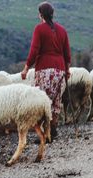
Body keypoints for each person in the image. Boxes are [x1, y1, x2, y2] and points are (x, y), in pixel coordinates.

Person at [21, 1, 71, 139]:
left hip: (44, 70)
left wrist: (26, 68)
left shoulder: (39, 29)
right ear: (52, 14)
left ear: (40, 15)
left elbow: (34, 50)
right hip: (60, 70)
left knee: (42, 101)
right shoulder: (62, 30)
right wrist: (67, 70)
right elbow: (67, 53)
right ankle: (52, 130)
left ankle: (44, 134)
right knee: (55, 101)